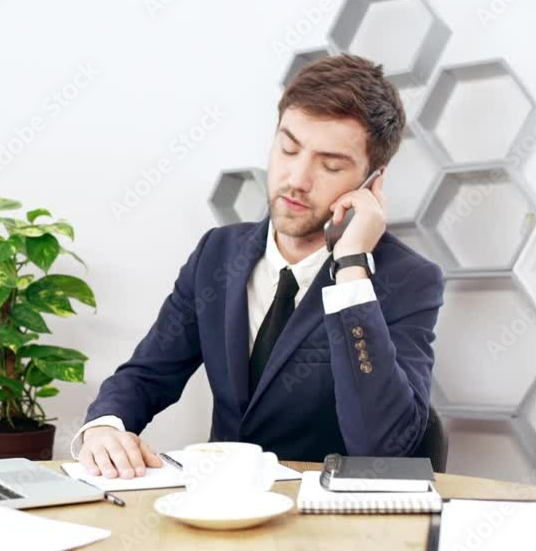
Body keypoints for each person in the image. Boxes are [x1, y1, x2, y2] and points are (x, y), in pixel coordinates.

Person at [73, 54, 445, 479]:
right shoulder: (217, 253)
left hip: (326, 511)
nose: (297, 179)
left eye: (330, 165)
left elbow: (383, 446)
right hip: (221, 506)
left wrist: (351, 267)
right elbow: (147, 375)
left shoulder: (409, 280)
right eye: (288, 149)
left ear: (372, 181)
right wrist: (104, 427)